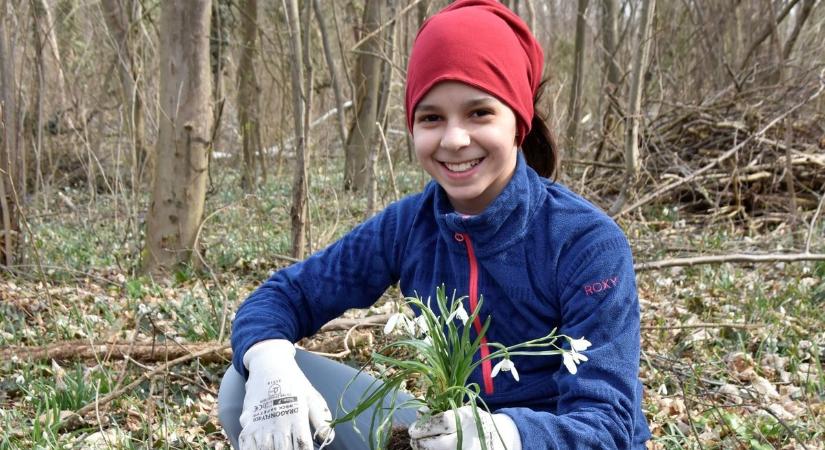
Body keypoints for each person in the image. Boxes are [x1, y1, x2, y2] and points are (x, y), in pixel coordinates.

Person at [217, 0, 651, 448]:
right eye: (431, 118)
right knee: (240, 388)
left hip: (533, 441)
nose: (454, 139)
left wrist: (506, 435)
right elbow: (287, 295)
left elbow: (609, 426)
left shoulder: (583, 241)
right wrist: (270, 361)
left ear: (517, 122)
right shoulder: (411, 225)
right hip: (450, 434)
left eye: (479, 112)